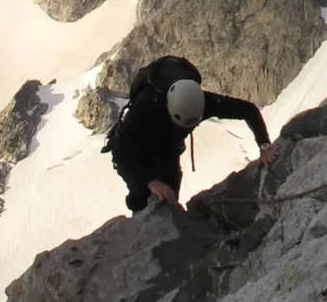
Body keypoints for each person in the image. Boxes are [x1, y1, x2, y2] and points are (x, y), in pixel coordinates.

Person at [102, 55, 281, 212]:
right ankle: (142, 232)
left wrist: (264, 146)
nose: (183, 128)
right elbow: (121, 152)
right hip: (137, 148)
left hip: (168, 149)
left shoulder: (204, 103)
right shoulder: (145, 105)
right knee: (142, 195)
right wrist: (150, 182)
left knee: (169, 192)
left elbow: (248, 110)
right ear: (168, 107)